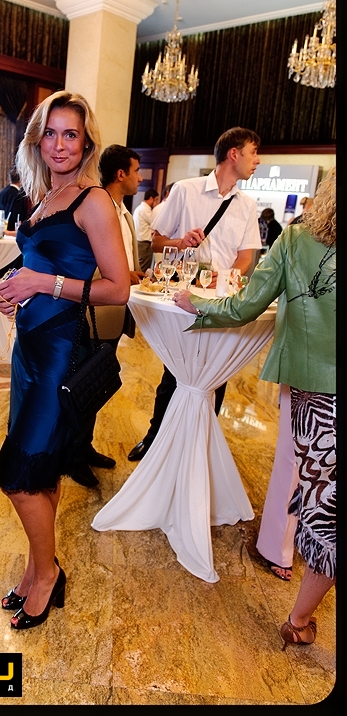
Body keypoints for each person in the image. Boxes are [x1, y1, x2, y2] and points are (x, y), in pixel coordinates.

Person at [173, 167, 336, 650]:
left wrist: (197, 305)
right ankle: (299, 614)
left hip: (315, 390)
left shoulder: (297, 241)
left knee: (321, 496)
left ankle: (299, 615)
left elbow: (246, 306)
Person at [0, 91, 130, 631]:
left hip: (60, 352)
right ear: (37, 140)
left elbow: (118, 288)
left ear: (87, 142)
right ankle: (36, 570)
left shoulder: (92, 201)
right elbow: (37, 263)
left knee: (18, 476)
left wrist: (42, 283)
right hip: (28, 348)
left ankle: (47, 574)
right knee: (41, 468)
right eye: (50, 133)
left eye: (70, 134)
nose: (59, 144)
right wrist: (15, 288)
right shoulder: (44, 197)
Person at [128, 126, 263, 462]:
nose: (257, 160)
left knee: (217, 373)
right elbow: (156, 241)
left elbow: (246, 257)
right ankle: (155, 439)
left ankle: (199, 449)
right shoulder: (186, 190)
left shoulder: (247, 205)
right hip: (183, 297)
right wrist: (180, 241)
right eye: (253, 152)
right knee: (175, 370)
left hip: (220, 300)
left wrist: (227, 276)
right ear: (234, 153)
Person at [68, 144, 145, 488]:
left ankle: (84, 447)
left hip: (114, 311)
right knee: (84, 383)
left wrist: (133, 274)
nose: (140, 178)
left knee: (97, 383)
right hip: (94, 313)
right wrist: (123, 276)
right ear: (120, 174)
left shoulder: (124, 213)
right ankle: (73, 455)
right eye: (136, 171)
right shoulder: (97, 208)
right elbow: (92, 264)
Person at [133, 187, 159, 272]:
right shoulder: (145, 209)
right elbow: (155, 222)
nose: (157, 202)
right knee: (143, 267)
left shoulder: (140, 208)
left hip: (140, 241)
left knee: (142, 265)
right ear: (151, 198)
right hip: (144, 243)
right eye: (156, 199)